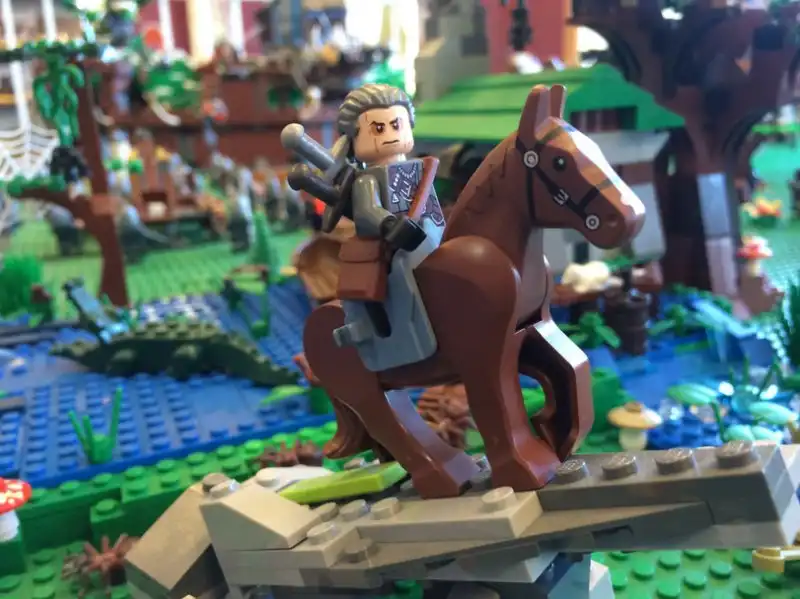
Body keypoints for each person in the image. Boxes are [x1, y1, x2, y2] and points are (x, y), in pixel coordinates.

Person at [327, 83, 445, 372]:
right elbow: (368, 211)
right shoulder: (367, 180)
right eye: (378, 129)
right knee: (398, 275)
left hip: (429, 235)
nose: (390, 134)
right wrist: (390, 223)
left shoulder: (419, 168)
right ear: (355, 138)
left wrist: (436, 225)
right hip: (390, 245)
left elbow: (432, 204)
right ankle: (402, 341)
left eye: (397, 125)